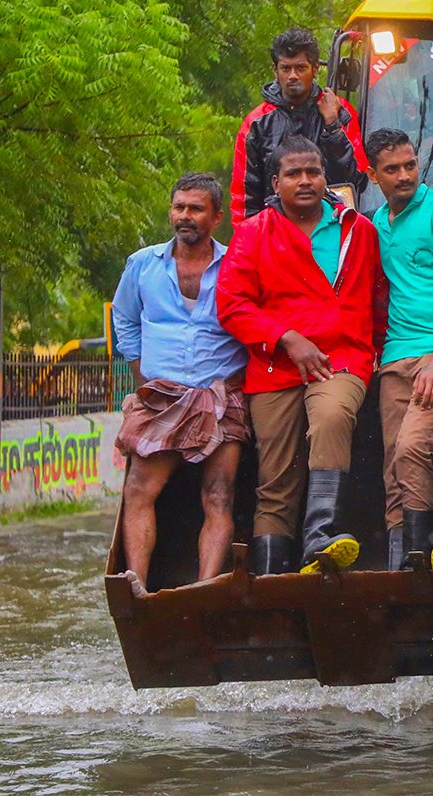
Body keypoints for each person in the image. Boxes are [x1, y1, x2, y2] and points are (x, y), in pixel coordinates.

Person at [217, 136, 386, 576]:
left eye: (313, 172)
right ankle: (273, 578)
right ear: (276, 182)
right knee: (275, 479)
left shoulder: (358, 231)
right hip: (274, 366)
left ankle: (320, 538)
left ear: (326, 177)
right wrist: (286, 337)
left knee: (331, 418)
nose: (306, 181)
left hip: (341, 359)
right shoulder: (253, 233)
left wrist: (379, 356)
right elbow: (232, 305)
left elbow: (379, 300)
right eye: (294, 174)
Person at [111, 174, 249, 595]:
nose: (185, 216)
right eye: (179, 207)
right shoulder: (142, 265)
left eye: (196, 208)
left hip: (221, 396)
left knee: (219, 494)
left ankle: (205, 589)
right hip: (162, 395)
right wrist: (141, 378)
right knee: (138, 488)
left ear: (217, 217)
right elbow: (125, 320)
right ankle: (137, 586)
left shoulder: (238, 264)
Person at [367, 128, 433, 571]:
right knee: (393, 461)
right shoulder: (376, 224)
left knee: (412, 445)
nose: (405, 175)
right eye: (393, 169)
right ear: (373, 175)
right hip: (394, 357)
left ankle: (423, 557)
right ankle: (399, 562)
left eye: (411, 164)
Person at [231, 28, 368, 224]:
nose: (293, 76)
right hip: (276, 235)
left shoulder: (339, 111)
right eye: (286, 69)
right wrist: (249, 245)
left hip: (333, 229)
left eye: (301, 68)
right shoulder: (256, 123)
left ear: (315, 69)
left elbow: (358, 178)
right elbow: (245, 198)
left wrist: (333, 125)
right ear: (276, 71)